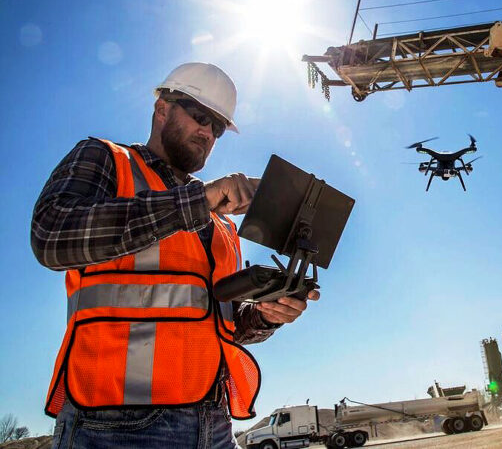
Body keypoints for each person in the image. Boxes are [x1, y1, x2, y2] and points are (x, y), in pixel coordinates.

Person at [31, 62, 319, 448]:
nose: (207, 132)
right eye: (200, 116)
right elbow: (52, 234)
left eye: (216, 128)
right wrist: (198, 200)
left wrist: (267, 315)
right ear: (162, 109)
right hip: (115, 424)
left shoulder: (221, 224)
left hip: (213, 423)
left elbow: (220, 326)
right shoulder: (107, 159)